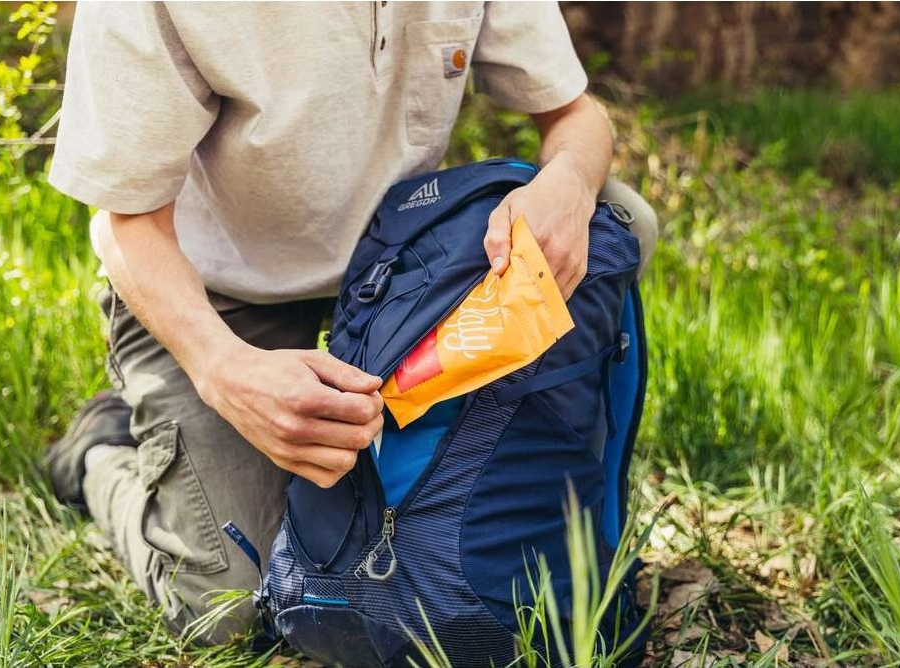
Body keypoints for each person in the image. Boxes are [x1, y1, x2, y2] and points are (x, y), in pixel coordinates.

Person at [44, 1, 658, 643]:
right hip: (214, 293)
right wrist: (225, 372)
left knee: (619, 215)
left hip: (397, 272)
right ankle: (101, 452)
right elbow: (126, 223)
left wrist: (567, 182)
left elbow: (574, 114)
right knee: (234, 613)